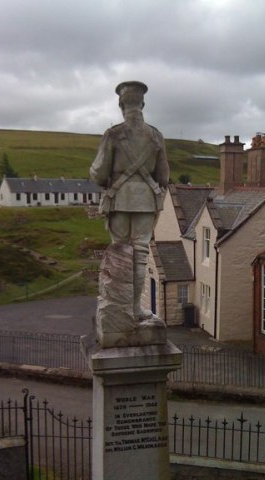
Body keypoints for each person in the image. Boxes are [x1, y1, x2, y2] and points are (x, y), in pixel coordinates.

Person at [90, 81, 169, 320]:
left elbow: (100, 173)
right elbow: (164, 176)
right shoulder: (156, 136)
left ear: (121, 104)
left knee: (119, 252)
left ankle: (118, 307)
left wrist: (94, 173)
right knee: (140, 255)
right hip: (145, 201)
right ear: (142, 104)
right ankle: (134, 308)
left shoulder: (113, 134)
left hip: (120, 199)